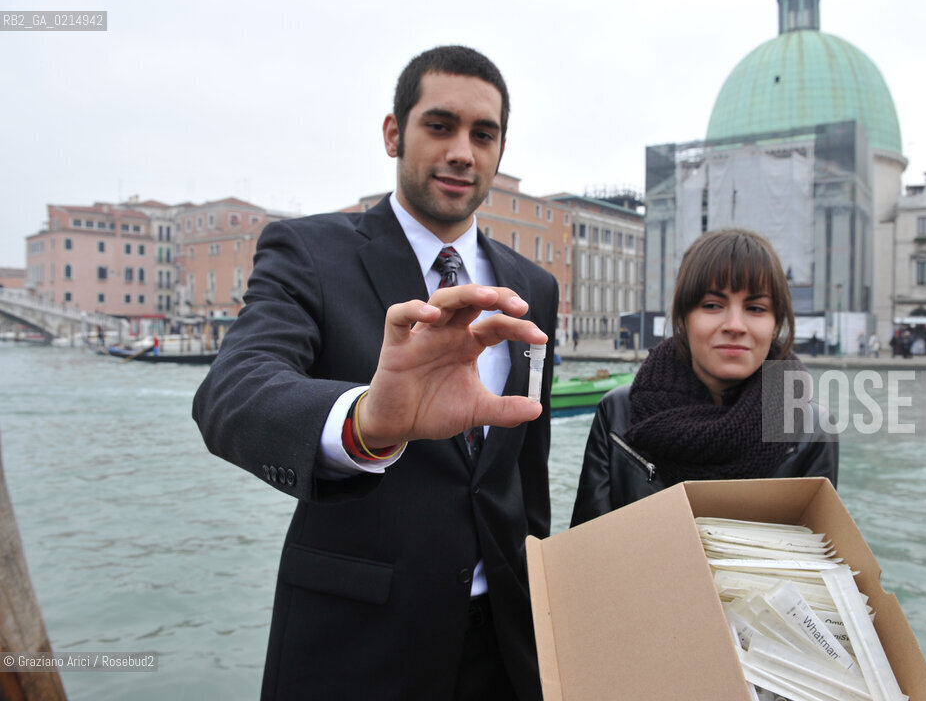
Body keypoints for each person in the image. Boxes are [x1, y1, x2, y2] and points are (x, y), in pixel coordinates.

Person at [192, 46, 557, 701]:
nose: (462, 153)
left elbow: (526, 466)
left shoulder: (534, 287)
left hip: (505, 640)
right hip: (358, 641)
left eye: (484, 134)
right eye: (439, 126)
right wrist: (367, 423)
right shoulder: (309, 252)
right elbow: (232, 390)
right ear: (395, 132)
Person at [571, 229, 837, 526]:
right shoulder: (617, 411)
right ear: (683, 318)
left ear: (776, 324)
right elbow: (586, 548)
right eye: (712, 305)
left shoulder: (811, 428)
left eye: (756, 308)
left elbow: (816, 558)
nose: (735, 325)